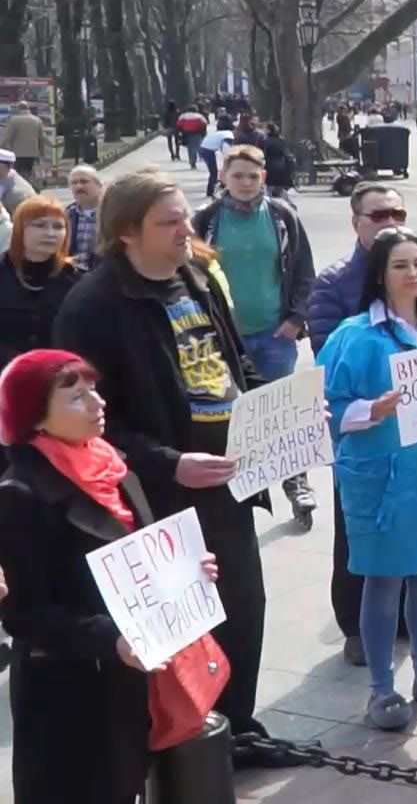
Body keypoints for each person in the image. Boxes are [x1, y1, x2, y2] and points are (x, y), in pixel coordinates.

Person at [51, 170, 302, 768]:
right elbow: (86, 421)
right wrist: (169, 464)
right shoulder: (93, 305)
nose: (187, 229)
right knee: (179, 624)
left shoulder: (195, 277)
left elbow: (232, 362)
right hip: (155, 496)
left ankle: (237, 728)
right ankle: (183, 747)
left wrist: (278, 411)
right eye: (169, 222)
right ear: (126, 234)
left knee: (243, 606)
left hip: (230, 480)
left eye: (185, 217)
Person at [0, 350, 223, 802]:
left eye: (94, 390)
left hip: (130, 681)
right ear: (36, 417)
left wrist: (185, 574)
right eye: (78, 397)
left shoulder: (110, 463)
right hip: (68, 697)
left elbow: (139, 556)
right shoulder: (20, 494)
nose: (98, 403)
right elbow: (25, 616)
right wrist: (110, 639)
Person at [316, 228, 417, 730]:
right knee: (383, 584)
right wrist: (371, 410)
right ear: (380, 276)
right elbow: (323, 410)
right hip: (382, 480)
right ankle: (381, 690)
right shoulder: (355, 335)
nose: (414, 274)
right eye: (401, 265)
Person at [306, 182, 417, 665]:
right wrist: (370, 409)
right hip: (377, 462)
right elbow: (326, 391)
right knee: (371, 562)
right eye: (379, 215)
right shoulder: (346, 311)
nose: (413, 273)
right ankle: (368, 653)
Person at [192, 145, 318, 527]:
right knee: (232, 418)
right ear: (223, 178)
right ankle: (240, 490)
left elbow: (303, 271)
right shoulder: (206, 220)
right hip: (223, 339)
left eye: (253, 175)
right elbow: (191, 273)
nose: (246, 183)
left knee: (284, 412)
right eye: (238, 176)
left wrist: (296, 318)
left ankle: (297, 484)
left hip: (274, 333)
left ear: (264, 176)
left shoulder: (282, 216)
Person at [0, 197, 83, 375]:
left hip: (59, 382)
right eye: (39, 225)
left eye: (58, 226)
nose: (50, 233)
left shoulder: (77, 280)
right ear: (20, 229)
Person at [64, 165, 102, 272]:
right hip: (72, 276)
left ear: (99, 185)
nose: (79, 187)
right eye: (74, 183)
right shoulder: (67, 214)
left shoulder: (111, 213)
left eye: (84, 182)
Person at [0, 103, 44, 184]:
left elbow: (8, 137)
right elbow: (41, 138)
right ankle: (28, 185)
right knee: (28, 170)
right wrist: (42, 152)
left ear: (18, 109)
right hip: (33, 152)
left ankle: (21, 187)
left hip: (18, 153)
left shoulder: (14, 120)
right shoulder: (37, 120)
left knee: (18, 172)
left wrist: (2, 147)